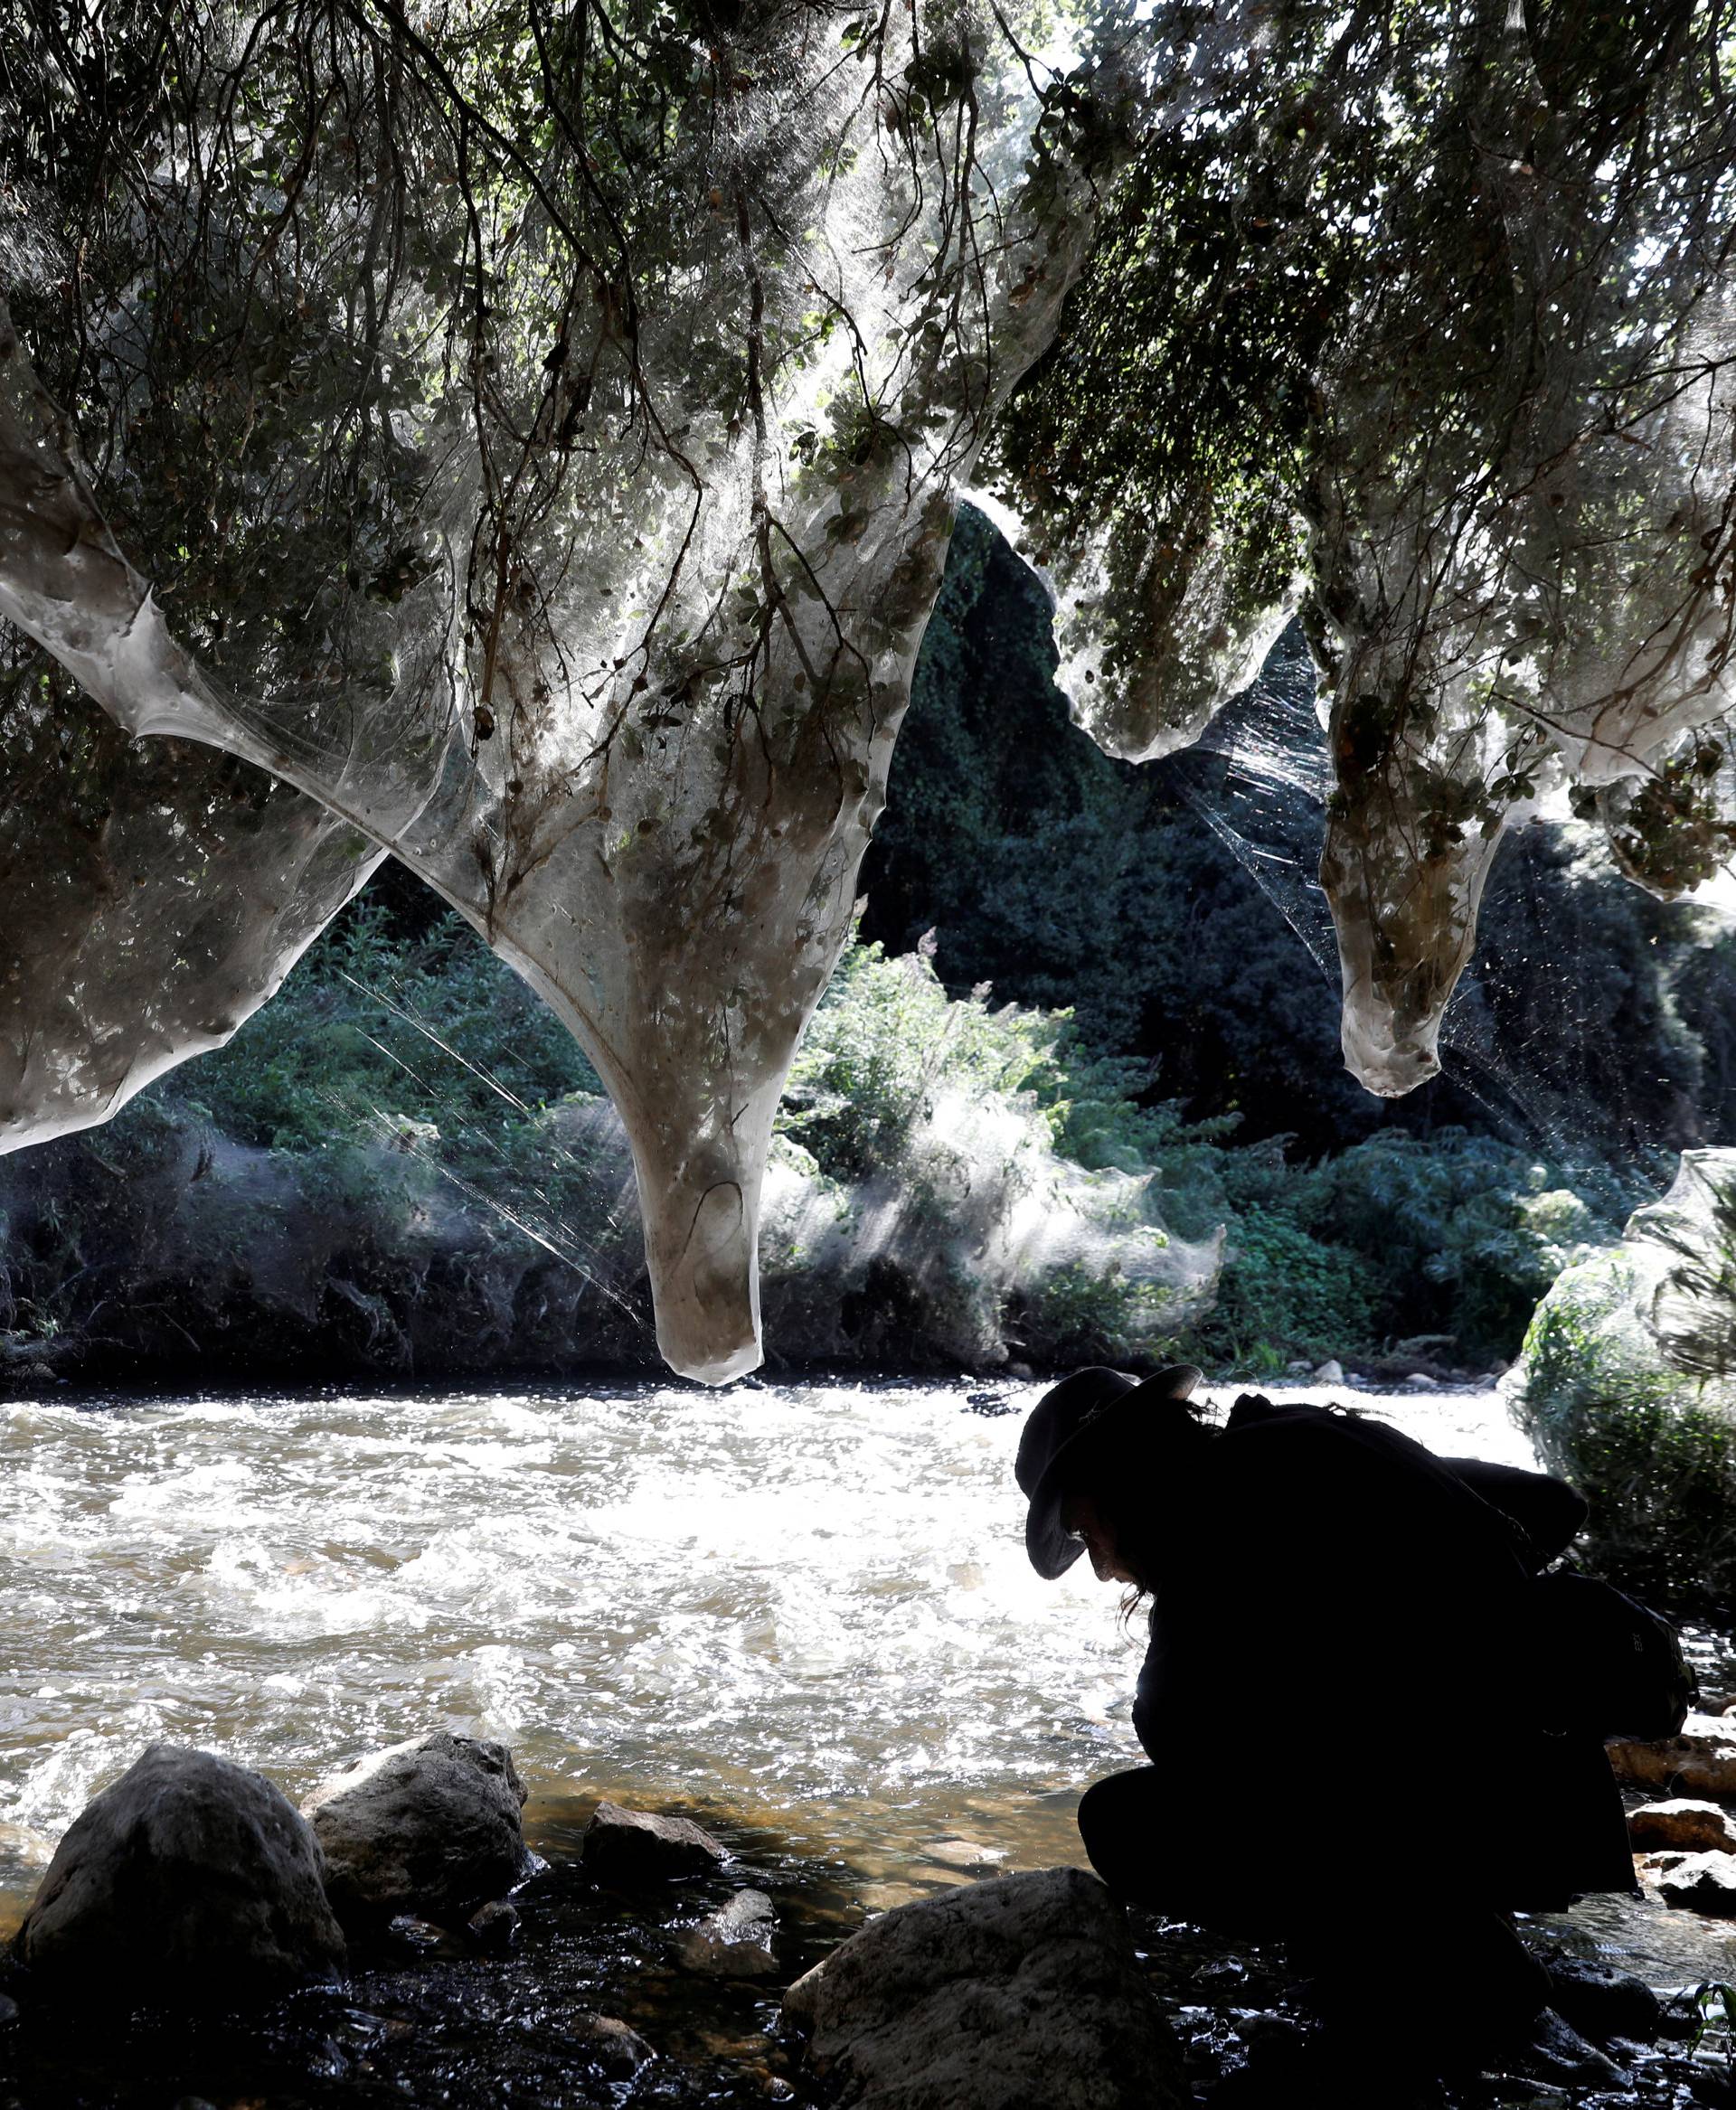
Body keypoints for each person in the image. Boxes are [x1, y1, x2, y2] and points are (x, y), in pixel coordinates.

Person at [1015, 1365, 1637, 2099]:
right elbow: (1556, 1505)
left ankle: (1429, 1986)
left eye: (1088, 1531)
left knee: (1125, 1820)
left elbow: (1205, 1754)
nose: (1099, 1567)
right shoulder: (1312, 1435)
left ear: (1120, 1481)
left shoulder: (1213, 1553)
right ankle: (1468, 1948)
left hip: (1466, 1821)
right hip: (1556, 1804)